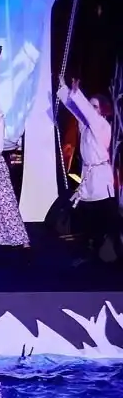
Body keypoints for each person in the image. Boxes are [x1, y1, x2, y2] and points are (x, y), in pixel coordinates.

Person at [58, 75, 117, 263]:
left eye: (94, 106)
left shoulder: (102, 125)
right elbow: (76, 110)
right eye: (89, 105)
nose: (90, 109)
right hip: (89, 177)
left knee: (103, 220)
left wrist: (77, 94)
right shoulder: (86, 126)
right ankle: (90, 251)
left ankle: (105, 252)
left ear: (103, 110)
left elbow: (88, 114)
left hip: (100, 179)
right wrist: (65, 90)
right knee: (88, 219)